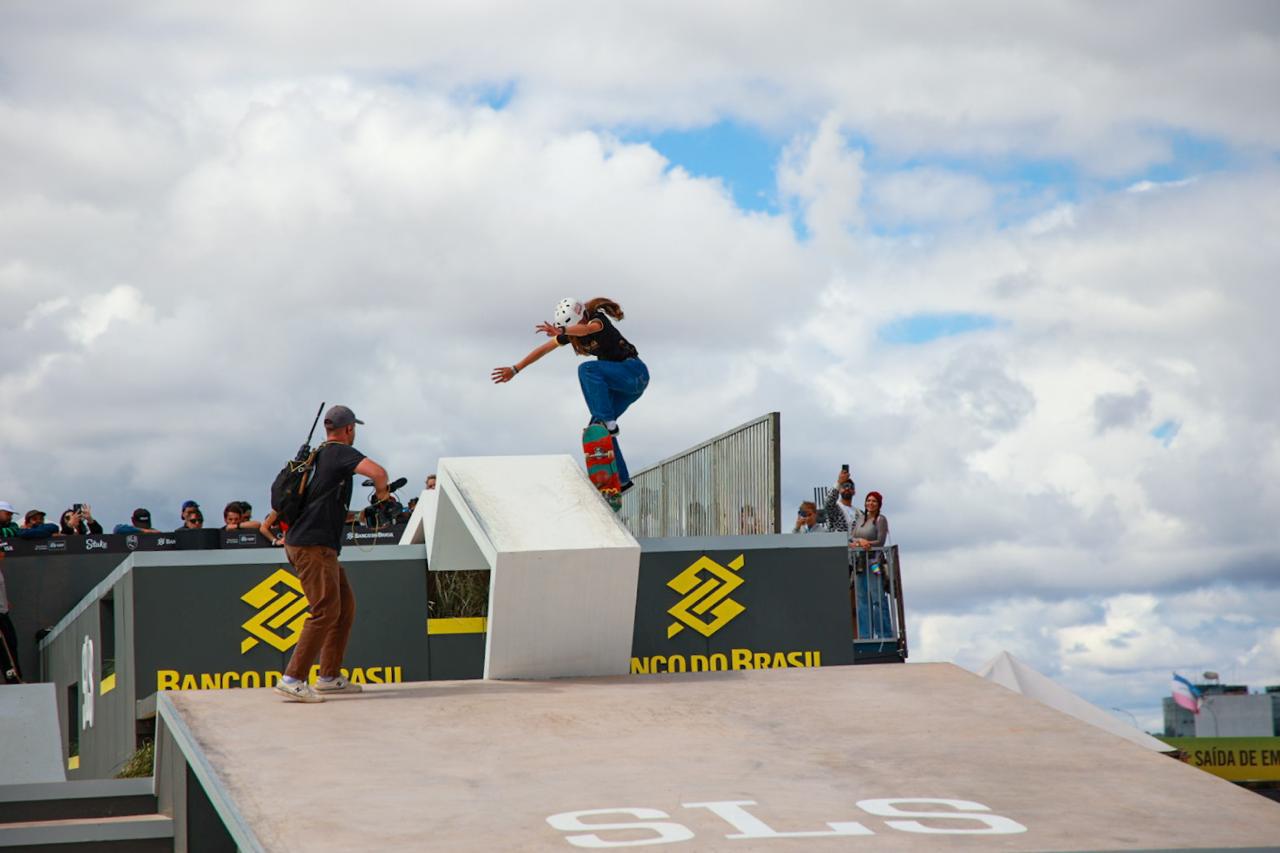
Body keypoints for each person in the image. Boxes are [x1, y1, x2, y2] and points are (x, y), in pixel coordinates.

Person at [275, 404, 389, 704]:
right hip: (313, 547)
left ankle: (328, 677)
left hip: (311, 543)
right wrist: (383, 496)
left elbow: (324, 506)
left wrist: (362, 516)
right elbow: (379, 473)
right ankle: (293, 678)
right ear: (349, 429)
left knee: (344, 607)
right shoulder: (339, 452)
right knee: (325, 610)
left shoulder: (319, 457)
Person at [491, 297, 649, 490]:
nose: (579, 327)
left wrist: (563, 330)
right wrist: (516, 369)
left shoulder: (597, 319)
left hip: (634, 373)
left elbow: (588, 329)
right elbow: (544, 349)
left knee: (587, 370)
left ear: (583, 315)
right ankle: (622, 482)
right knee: (598, 431)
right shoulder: (571, 333)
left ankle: (608, 421)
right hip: (624, 389)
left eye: (579, 322)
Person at [851, 491, 893, 639]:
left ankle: (884, 633)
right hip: (860, 563)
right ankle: (865, 635)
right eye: (868, 500)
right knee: (862, 600)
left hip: (874, 563)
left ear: (879, 504)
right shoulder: (860, 518)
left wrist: (866, 543)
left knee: (878, 598)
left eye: (874, 501)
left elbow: (880, 541)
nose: (870, 503)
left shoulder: (881, 519)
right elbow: (852, 536)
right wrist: (858, 542)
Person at [823, 468, 862, 535]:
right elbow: (828, 502)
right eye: (844, 486)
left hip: (855, 544)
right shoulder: (834, 507)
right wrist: (839, 482)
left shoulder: (859, 513)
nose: (847, 488)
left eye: (850, 487)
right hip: (837, 543)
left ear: (854, 492)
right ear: (839, 490)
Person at [0, 552, 20, 683]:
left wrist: (5, 601)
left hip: (4, 612)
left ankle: (16, 675)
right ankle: (11, 678)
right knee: (4, 647)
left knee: (12, 642)